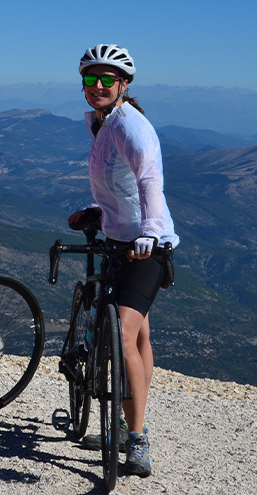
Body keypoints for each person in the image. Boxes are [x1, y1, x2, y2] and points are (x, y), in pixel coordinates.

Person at [68, 44, 178, 477]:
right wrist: (100, 212)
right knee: (141, 335)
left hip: (148, 245)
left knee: (125, 333)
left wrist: (150, 232)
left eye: (106, 79)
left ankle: (136, 438)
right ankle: (124, 421)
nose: (97, 86)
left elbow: (150, 178)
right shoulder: (100, 123)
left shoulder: (132, 126)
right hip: (118, 240)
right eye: (90, 79)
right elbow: (119, 183)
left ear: (123, 84)